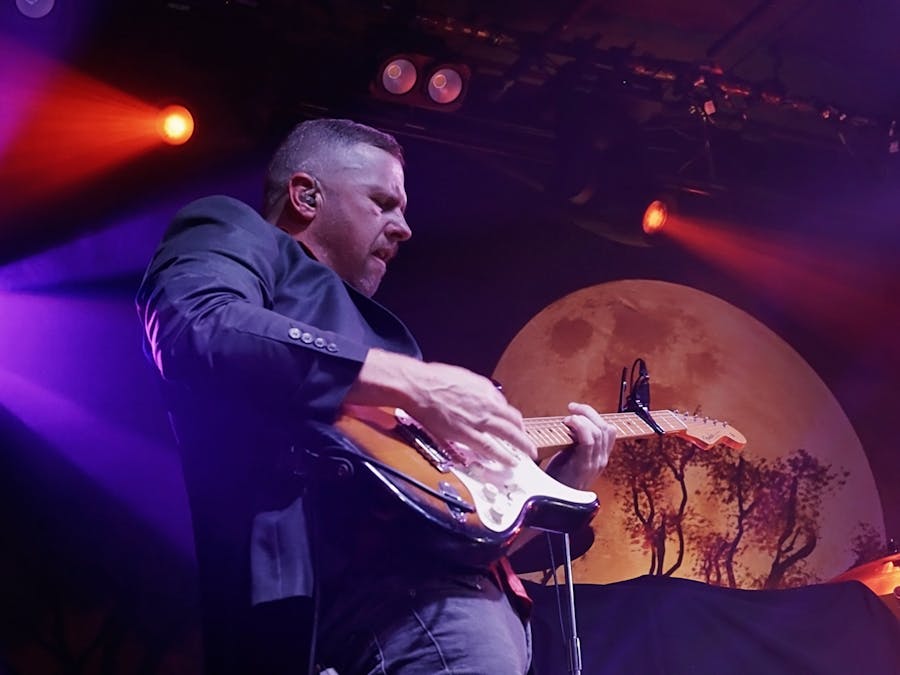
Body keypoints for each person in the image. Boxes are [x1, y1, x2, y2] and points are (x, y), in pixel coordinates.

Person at [136, 118, 616, 674]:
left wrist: (562, 484)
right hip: (382, 607)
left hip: (453, 619)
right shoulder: (232, 227)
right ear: (306, 195)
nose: (404, 227)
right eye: (383, 202)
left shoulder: (376, 359)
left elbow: (455, 532)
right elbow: (198, 323)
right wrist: (416, 382)